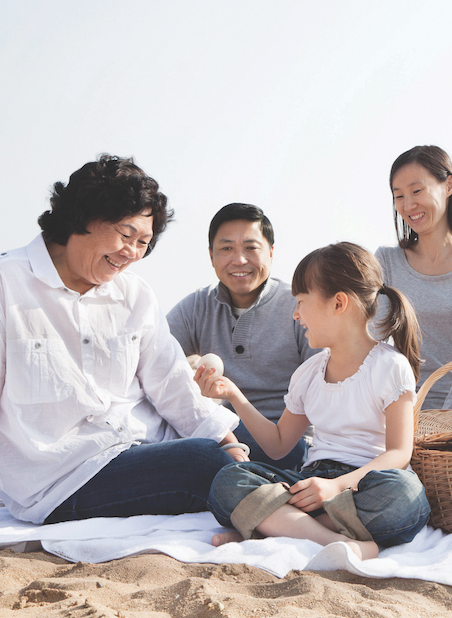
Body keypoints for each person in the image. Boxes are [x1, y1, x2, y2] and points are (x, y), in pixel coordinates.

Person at [0, 155, 245, 525]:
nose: (131, 252)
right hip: (64, 477)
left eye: (143, 242)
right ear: (82, 217)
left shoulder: (134, 294)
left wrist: (227, 440)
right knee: (204, 461)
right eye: (125, 234)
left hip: (145, 447)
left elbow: (171, 381)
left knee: (249, 449)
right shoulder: (9, 283)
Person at [198, 242, 430, 559]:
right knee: (228, 480)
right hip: (311, 481)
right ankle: (332, 540)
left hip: (365, 483)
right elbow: (279, 444)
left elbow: (400, 454)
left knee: (406, 495)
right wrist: (233, 396)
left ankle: (276, 528)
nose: (295, 314)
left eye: (301, 302)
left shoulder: (390, 366)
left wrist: (336, 488)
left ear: (338, 303)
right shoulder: (308, 373)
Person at [168, 203, 319, 470]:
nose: (239, 260)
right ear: (211, 255)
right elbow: (154, 356)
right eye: (226, 248)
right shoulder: (196, 307)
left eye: (251, 248)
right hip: (225, 433)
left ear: (271, 253)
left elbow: (326, 387)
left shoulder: (298, 305)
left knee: (204, 451)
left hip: (290, 441)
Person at [376, 145, 452, 413]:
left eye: (417, 191)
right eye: (399, 196)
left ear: (449, 186)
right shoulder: (387, 260)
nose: (408, 205)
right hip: (404, 408)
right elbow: (374, 340)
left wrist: (446, 423)